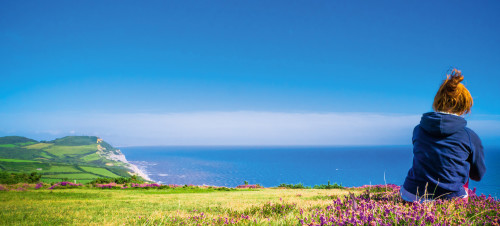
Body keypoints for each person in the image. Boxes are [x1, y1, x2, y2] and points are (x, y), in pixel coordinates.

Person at [401, 69, 486, 202]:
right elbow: (477, 175)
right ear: (464, 106)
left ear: (437, 101)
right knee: (463, 178)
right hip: (450, 200)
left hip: (411, 195)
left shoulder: (418, 130)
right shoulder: (470, 136)